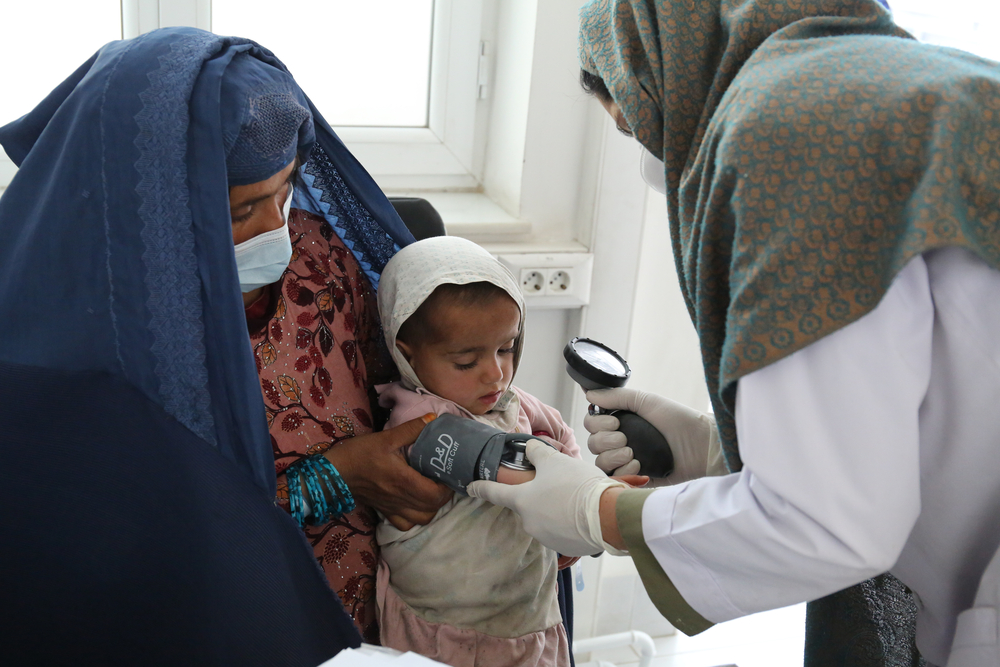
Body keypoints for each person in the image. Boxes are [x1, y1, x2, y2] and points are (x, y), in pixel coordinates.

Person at [468, 1, 1000, 666]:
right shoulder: (901, 80)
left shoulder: (793, 133)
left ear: (661, 63)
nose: (653, 161)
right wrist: (722, 452)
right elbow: (924, 391)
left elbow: (828, 524)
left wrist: (600, 513)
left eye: (638, 126)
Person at [0, 27, 448, 664]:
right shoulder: (84, 334)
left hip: (389, 609)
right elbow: (122, 559)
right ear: (153, 207)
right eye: (238, 212)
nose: (278, 231)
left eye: (286, 190)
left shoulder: (325, 259)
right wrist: (336, 477)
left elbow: (412, 392)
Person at [370, 236, 581, 666]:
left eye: (506, 348)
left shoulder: (508, 399)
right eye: (466, 362)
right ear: (408, 356)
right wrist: (585, 504)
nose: (495, 373)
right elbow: (495, 459)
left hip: (524, 614)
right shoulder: (420, 419)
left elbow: (559, 430)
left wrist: (578, 467)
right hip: (445, 630)